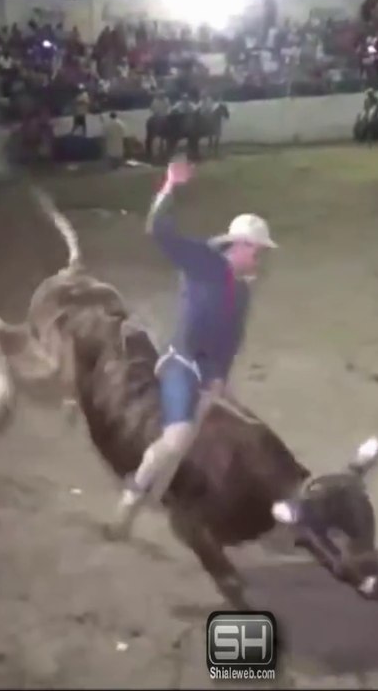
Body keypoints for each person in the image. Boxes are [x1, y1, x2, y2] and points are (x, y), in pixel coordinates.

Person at [105, 159, 277, 540]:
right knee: (178, 438)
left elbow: (231, 339)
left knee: (219, 437)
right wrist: (169, 185)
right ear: (242, 246)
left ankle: (169, 493)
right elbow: (159, 230)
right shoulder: (204, 263)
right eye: (257, 251)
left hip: (208, 371)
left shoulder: (242, 290)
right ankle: (131, 498)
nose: (259, 258)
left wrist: (219, 379)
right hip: (181, 362)